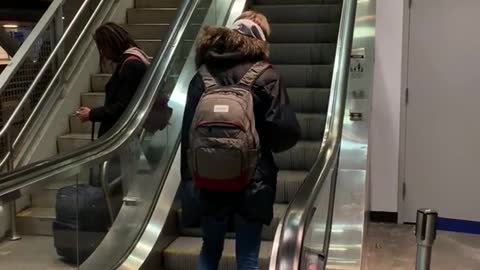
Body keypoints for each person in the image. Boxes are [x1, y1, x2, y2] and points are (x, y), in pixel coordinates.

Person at [181, 11, 300, 270]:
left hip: (209, 180)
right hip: (252, 179)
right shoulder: (267, 75)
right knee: (247, 255)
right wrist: (262, 144)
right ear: (260, 39)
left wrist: (190, 182)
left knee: (209, 249)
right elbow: (287, 130)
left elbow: (187, 136)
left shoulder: (202, 75)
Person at [76, 22, 149, 137]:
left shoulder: (130, 65)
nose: (103, 54)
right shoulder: (135, 59)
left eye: (102, 48)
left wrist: (92, 114)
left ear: (110, 45)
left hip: (120, 133)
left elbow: (121, 107)